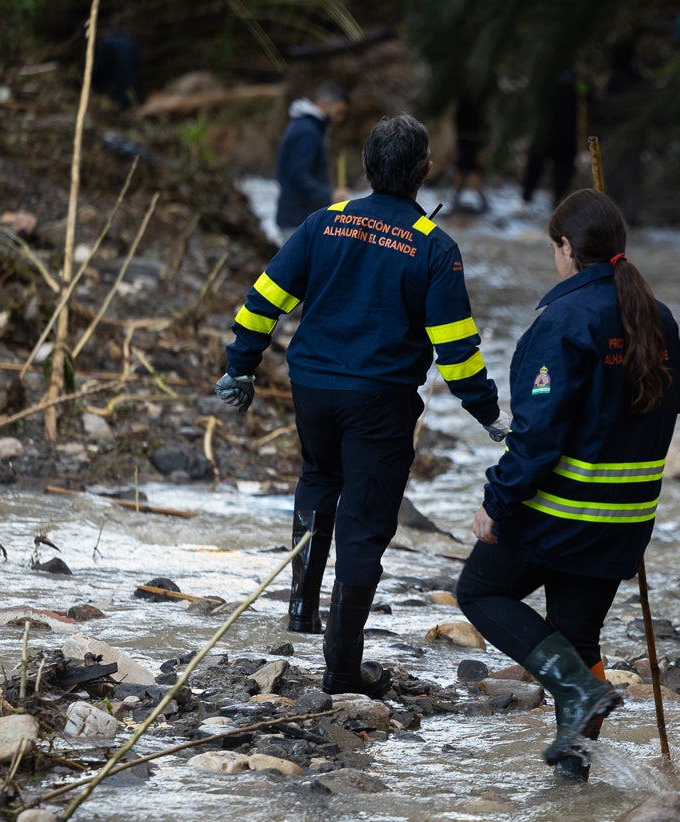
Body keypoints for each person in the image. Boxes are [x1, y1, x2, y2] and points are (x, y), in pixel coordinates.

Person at [216, 114, 509, 696]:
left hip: (313, 387)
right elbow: (455, 349)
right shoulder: (434, 247)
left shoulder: (323, 223)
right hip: (379, 400)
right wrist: (489, 414)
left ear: (366, 168)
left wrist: (239, 366)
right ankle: (343, 670)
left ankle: (301, 609)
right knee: (365, 523)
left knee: (319, 477)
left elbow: (264, 298)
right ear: (425, 170)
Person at [456, 190, 680, 779]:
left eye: (554, 249)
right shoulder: (654, 314)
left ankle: (573, 690)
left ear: (566, 248)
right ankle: (572, 777)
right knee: (578, 636)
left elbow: (536, 437)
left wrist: (497, 501)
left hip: (560, 513)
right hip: (625, 520)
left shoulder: (563, 320)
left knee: (480, 592)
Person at [275, 83, 349, 242]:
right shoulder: (306, 131)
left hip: (300, 218)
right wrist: (330, 195)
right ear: (323, 105)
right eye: (338, 112)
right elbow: (298, 175)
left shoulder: (308, 128)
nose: (340, 119)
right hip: (296, 219)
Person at [521, 69, 581, 209]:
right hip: (553, 135)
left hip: (562, 136)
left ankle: (554, 200)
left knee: (559, 171)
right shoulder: (546, 82)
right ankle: (529, 198)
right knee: (537, 167)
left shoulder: (578, 85)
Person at [451, 91, 490, 215]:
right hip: (470, 137)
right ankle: (458, 199)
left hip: (469, 137)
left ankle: (457, 199)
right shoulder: (476, 93)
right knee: (471, 170)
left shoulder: (471, 93)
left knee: (467, 170)